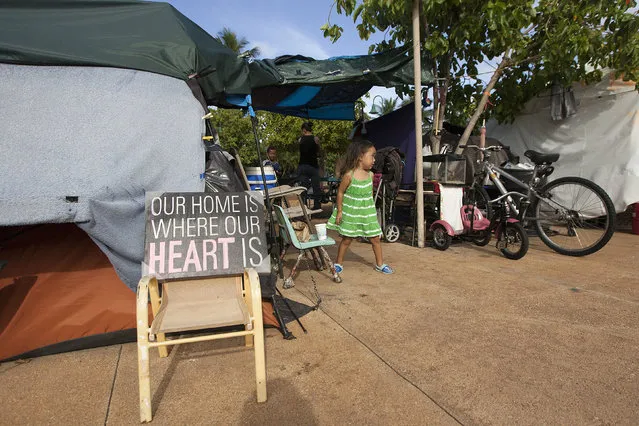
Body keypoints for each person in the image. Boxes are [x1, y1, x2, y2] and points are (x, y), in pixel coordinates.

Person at [326, 140, 394, 274]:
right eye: (372, 156)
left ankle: (380, 264)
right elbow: (340, 192)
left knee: (375, 238)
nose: (374, 160)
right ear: (360, 157)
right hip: (351, 212)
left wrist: (369, 209)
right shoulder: (348, 176)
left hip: (367, 212)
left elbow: (369, 194)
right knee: (347, 239)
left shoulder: (371, 175)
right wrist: (340, 211)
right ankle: (338, 263)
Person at [297, 121, 322, 210]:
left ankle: (304, 207)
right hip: (313, 166)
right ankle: (317, 206)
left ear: (304, 130)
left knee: (303, 187)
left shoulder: (300, 140)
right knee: (316, 187)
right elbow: (319, 152)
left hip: (303, 166)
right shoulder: (316, 139)